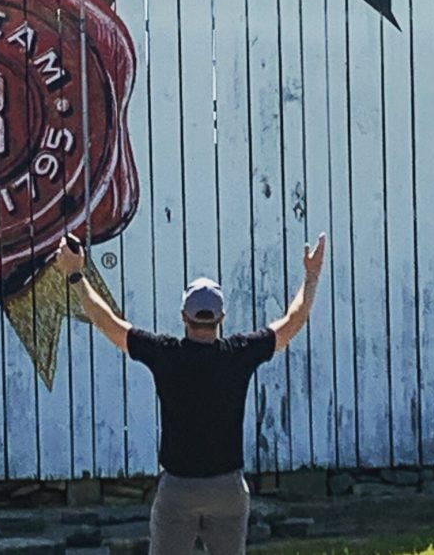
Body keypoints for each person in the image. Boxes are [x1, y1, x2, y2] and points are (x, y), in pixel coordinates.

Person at [54, 232, 327, 555]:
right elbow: (292, 322)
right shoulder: (239, 353)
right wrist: (311, 277)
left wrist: (75, 274)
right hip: (227, 487)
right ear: (221, 318)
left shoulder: (165, 354)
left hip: (179, 487)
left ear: (184, 316)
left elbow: (107, 322)